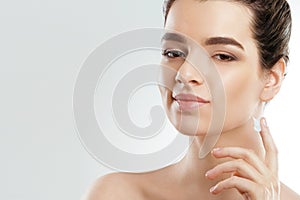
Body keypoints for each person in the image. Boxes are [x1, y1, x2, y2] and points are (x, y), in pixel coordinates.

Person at [84, 0, 300, 199]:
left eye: (222, 56)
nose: (185, 73)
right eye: (173, 53)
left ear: (272, 79)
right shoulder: (118, 194)